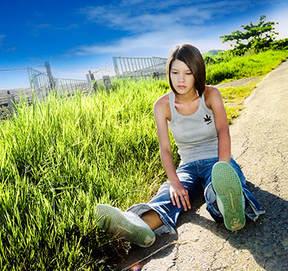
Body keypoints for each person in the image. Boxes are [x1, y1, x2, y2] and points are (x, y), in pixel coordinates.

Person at [96, 44, 264, 247]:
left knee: (217, 186)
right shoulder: (162, 105)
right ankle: (139, 226)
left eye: (188, 73)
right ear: (169, 73)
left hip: (217, 159)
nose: (181, 79)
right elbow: (165, 148)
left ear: (197, 73)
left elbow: (223, 131)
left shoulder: (211, 95)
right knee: (170, 196)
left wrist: (223, 167)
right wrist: (174, 181)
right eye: (175, 72)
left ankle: (227, 205)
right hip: (187, 166)